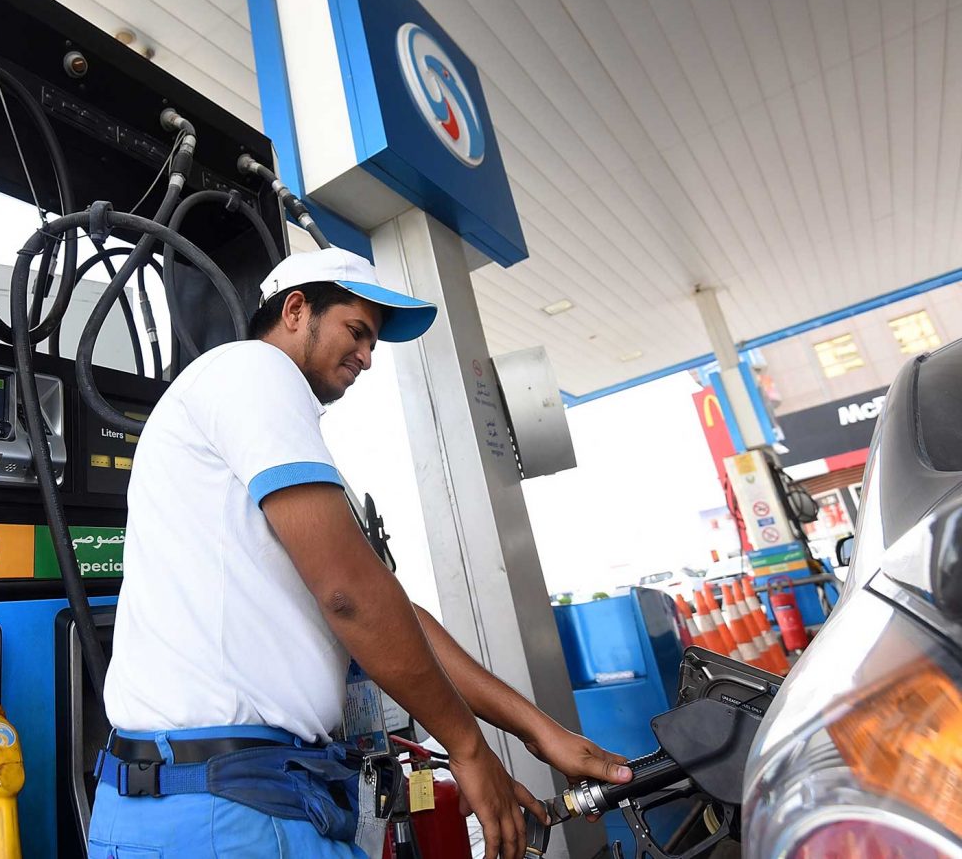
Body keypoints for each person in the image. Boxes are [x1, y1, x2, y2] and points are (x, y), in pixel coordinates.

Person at [90, 247, 631, 859]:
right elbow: (351, 598)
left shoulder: (265, 431)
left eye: (372, 342)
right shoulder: (252, 372)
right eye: (357, 331)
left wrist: (537, 733)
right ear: (296, 310)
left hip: (234, 799)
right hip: (222, 811)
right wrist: (469, 748)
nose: (368, 358)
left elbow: (389, 611)